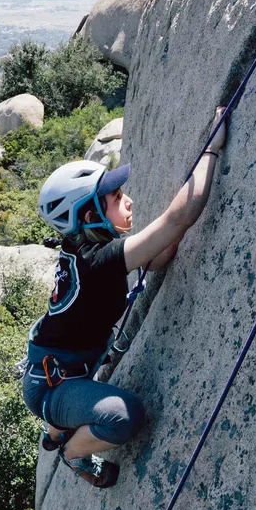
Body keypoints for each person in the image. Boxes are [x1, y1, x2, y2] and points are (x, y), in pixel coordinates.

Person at [23, 107, 227, 487]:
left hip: (56, 365)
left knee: (81, 392)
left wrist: (163, 240)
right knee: (124, 416)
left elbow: (162, 253)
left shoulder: (83, 246)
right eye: (116, 197)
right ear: (88, 217)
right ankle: (70, 451)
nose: (128, 200)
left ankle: (54, 432)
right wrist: (211, 152)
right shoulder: (97, 262)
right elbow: (178, 221)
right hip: (53, 385)